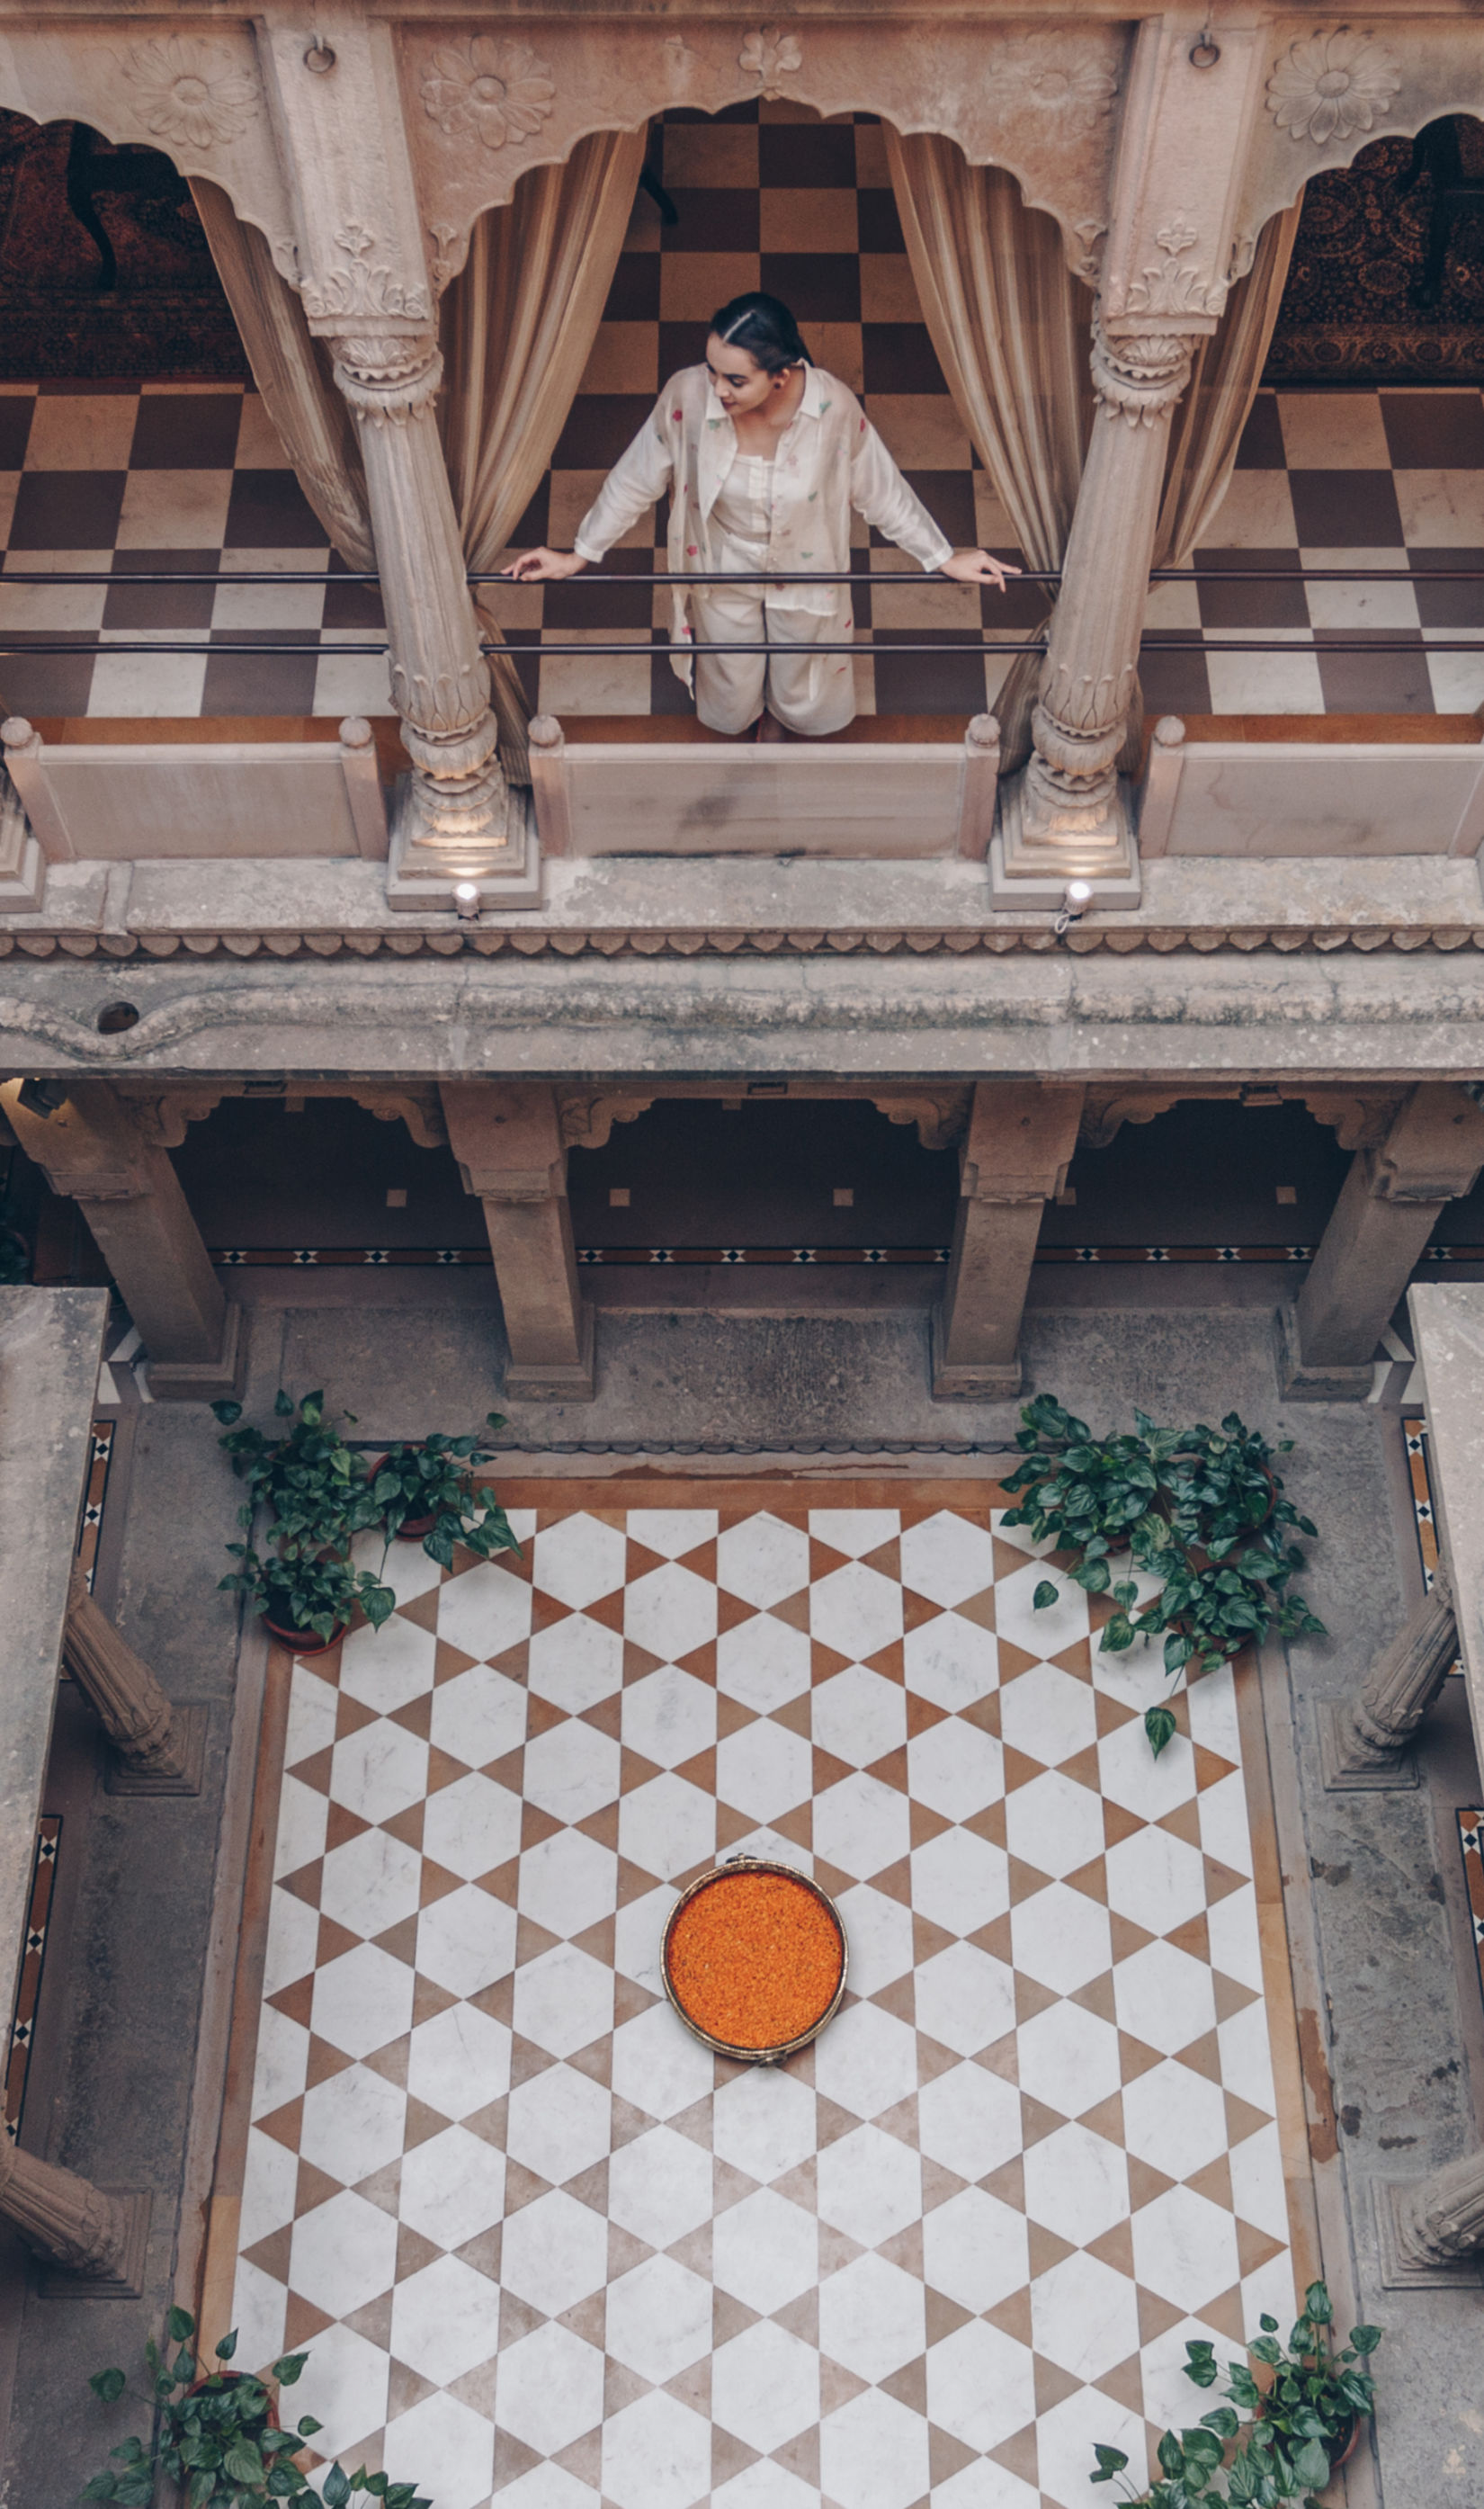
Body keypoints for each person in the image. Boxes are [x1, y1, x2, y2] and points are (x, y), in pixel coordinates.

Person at [504, 291, 1019, 740]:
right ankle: (743, 717)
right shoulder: (687, 397)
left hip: (806, 567)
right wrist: (579, 555)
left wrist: (942, 556)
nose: (718, 390)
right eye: (712, 371)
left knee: (804, 666)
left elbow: (881, 489)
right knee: (730, 666)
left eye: (734, 379)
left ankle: (791, 721)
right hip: (721, 561)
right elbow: (636, 476)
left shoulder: (831, 409)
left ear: (781, 375)